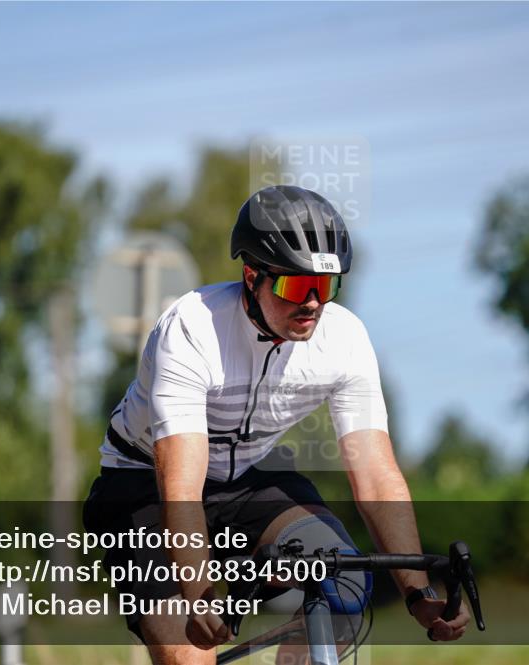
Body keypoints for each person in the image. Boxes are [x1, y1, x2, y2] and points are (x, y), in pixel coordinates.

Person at [83, 185, 470, 665]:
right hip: (144, 484)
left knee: (345, 585)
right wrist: (201, 592)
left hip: (249, 478)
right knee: (192, 653)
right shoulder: (192, 328)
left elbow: (376, 475)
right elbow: (180, 486)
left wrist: (418, 594)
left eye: (324, 286)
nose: (313, 304)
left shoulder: (345, 339)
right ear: (252, 276)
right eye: (296, 287)